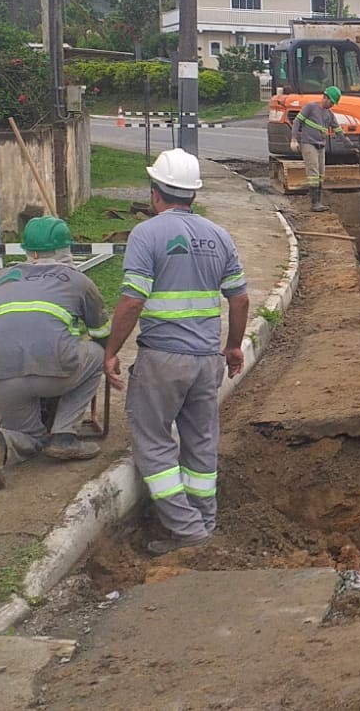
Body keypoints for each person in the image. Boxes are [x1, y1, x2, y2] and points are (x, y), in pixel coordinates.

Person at [103, 148, 250, 555]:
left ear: (155, 194)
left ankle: (188, 532)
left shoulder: (146, 235)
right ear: (193, 194)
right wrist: (233, 346)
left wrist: (111, 350)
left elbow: (132, 300)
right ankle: (204, 520)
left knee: (152, 441)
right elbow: (239, 299)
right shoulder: (219, 236)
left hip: (162, 359)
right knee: (201, 441)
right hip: (207, 362)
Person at [0, 216, 108, 490]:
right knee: (95, 354)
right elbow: (102, 333)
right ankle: (64, 435)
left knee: (30, 436)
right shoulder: (78, 280)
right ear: (66, 248)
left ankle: (2, 442)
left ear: (28, 250)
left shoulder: (1, 278)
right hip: (54, 373)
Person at [289, 86, 344, 212]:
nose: (332, 106)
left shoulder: (329, 114)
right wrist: (293, 139)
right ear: (325, 97)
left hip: (320, 145)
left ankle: (318, 201)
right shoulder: (311, 107)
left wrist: (351, 145)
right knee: (313, 173)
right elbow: (297, 122)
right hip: (308, 144)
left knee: (320, 174)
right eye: (331, 102)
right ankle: (315, 203)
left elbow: (338, 131)